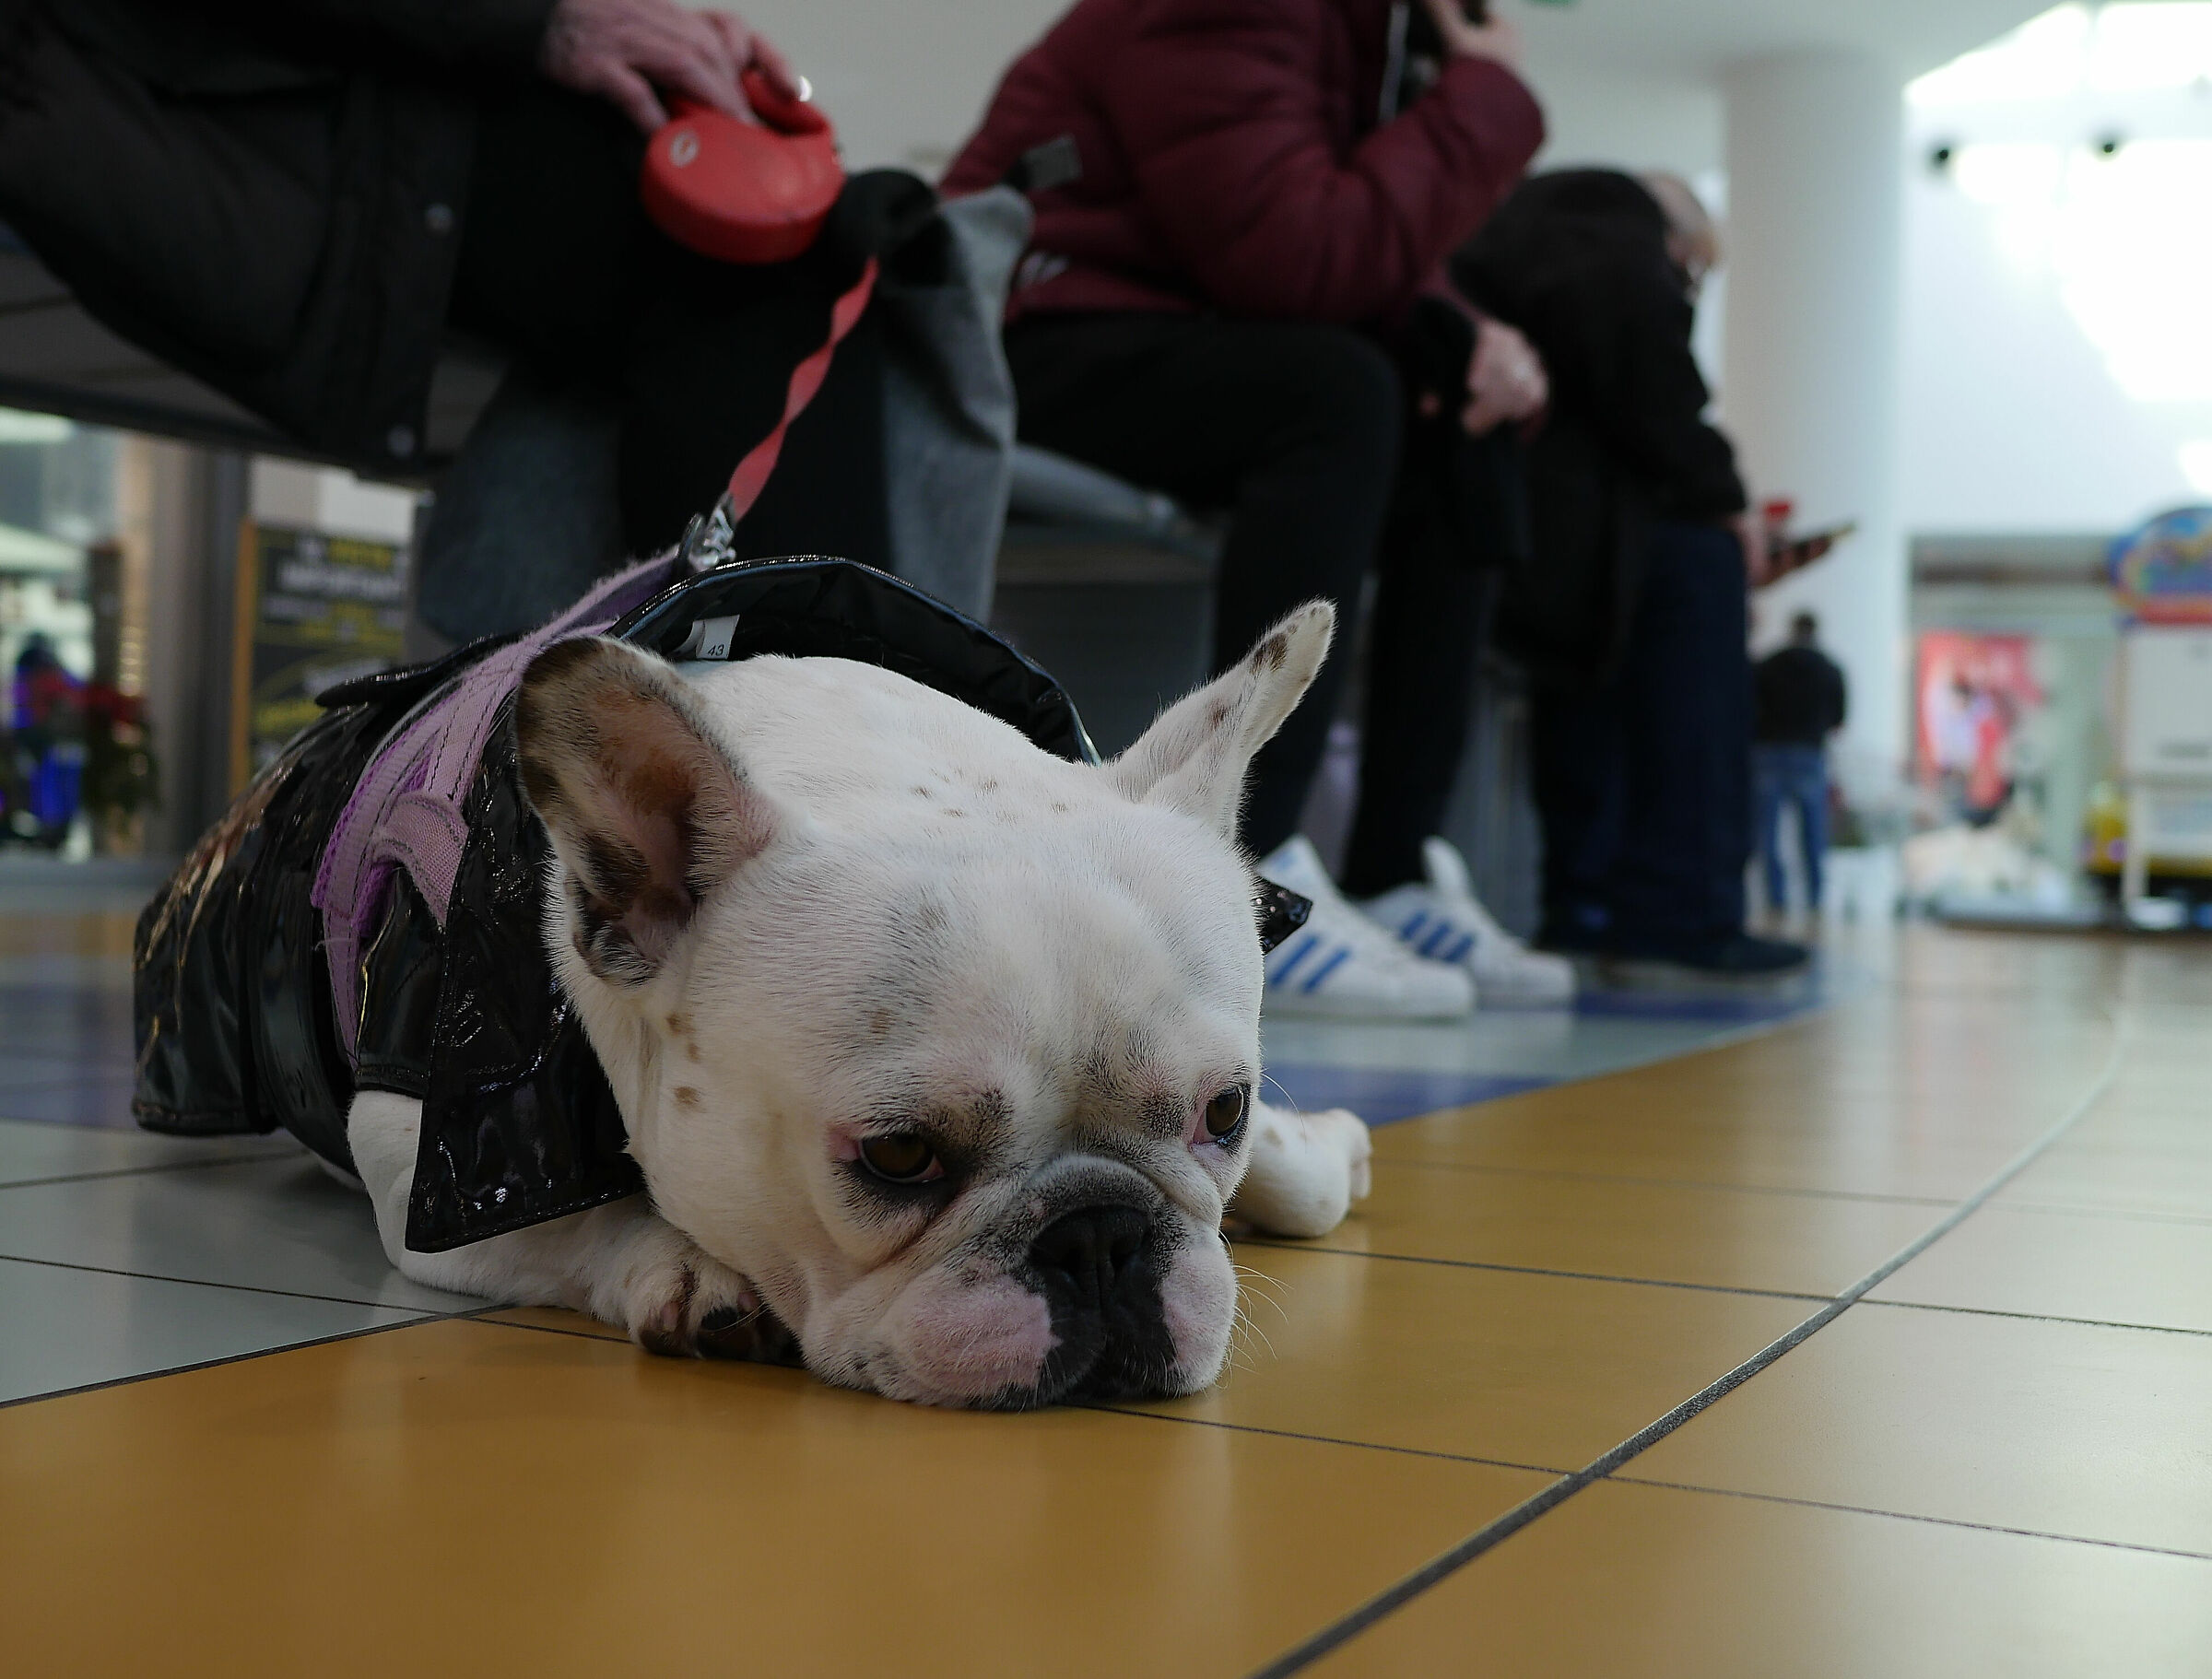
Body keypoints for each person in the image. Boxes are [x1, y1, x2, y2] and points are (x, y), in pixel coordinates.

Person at [945, 0, 1575, 1017]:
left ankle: (1389, 869)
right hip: (1036, 319)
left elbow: (1355, 249)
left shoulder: (1364, 36)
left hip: (1180, 316)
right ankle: (1246, 867)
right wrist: (1486, 94)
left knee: (1461, 429)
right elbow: (1293, 255)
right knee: (1340, 395)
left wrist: (1471, 338)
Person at [0, 0, 900, 637]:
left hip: (256, 106)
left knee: (771, 253)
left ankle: (642, 734)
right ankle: (810, 756)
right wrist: (547, 19)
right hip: (246, 112)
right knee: (786, 259)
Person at [1453, 168, 1808, 974]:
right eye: (1690, 273)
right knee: (1697, 637)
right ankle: (1685, 912)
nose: (1683, 289)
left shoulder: (1524, 228)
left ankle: (1584, 904)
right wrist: (1726, 501)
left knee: (1589, 705)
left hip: (1538, 538)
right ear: (1675, 237)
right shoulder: (1609, 223)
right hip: (1593, 540)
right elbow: (1651, 380)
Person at [1754, 612, 1847, 913]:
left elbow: (1751, 706)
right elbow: (1838, 719)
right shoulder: (1829, 668)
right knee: (1813, 834)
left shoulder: (1769, 665)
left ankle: (1775, 899)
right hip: (1809, 753)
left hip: (1768, 752)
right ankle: (1815, 898)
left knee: (1767, 833)